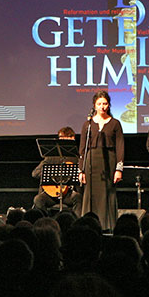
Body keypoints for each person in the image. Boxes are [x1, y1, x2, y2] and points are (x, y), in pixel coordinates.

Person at [78, 91, 124, 232]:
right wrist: (81, 170)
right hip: (91, 162)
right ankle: (89, 225)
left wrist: (119, 169)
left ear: (109, 105)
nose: (102, 107)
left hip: (108, 162)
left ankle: (107, 226)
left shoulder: (115, 123)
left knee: (107, 194)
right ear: (94, 105)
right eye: (99, 104)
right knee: (89, 195)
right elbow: (82, 149)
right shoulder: (88, 124)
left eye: (105, 104)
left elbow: (120, 146)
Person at [32, 127, 83, 216]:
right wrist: (51, 174)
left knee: (78, 198)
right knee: (38, 199)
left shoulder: (76, 158)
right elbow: (35, 173)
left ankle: (76, 223)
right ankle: (46, 222)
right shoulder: (50, 157)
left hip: (68, 194)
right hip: (51, 195)